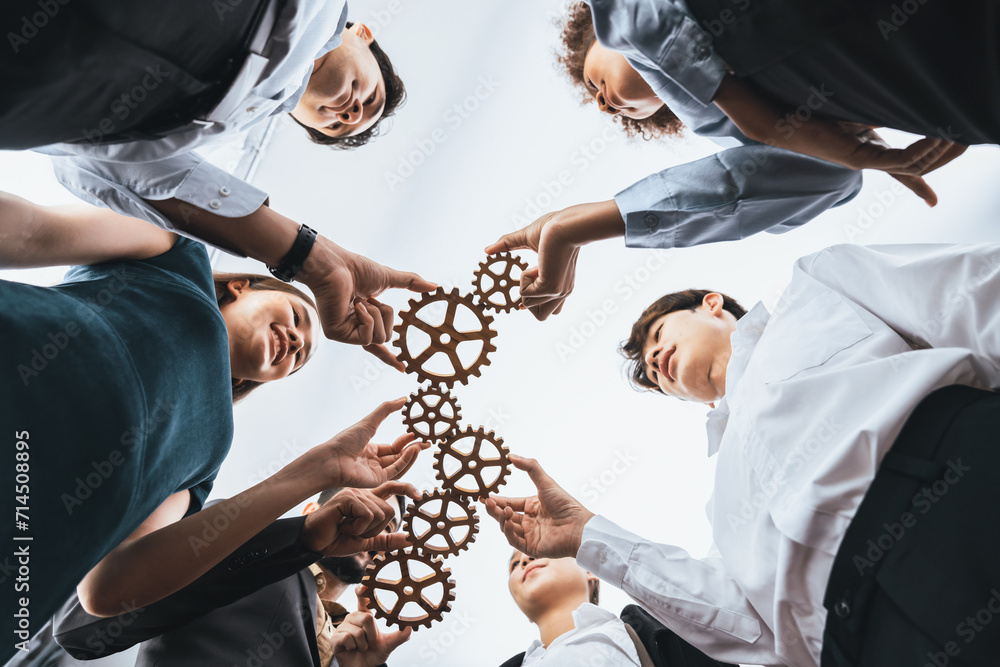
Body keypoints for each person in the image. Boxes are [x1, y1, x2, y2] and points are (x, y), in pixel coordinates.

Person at [484, 243, 1000, 666]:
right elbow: (747, 625)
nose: (656, 360)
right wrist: (588, 534)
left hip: (962, 480)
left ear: (712, 304)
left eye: (660, 335)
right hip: (869, 640)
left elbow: (975, 295)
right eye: (652, 372)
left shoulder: (816, 289)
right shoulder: (725, 501)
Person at [0, 193, 425, 662]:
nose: (298, 340)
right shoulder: (176, 256)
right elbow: (26, 229)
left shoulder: (208, 451)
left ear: (251, 380)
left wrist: (318, 469)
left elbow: (106, 591)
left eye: (300, 356)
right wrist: (315, 259)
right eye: (299, 318)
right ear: (244, 285)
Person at [2, 0, 429, 367]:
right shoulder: (313, 12)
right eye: (370, 97)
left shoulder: (216, 126)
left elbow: (104, 165)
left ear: (297, 116)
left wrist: (314, 258)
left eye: (337, 126)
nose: (351, 114)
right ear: (362, 34)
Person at [487, 1, 956, 321]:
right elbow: (813, 171)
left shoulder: (628, 18)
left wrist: (578, 228)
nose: (603, 104)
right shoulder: (718, 115)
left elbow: (637, 23)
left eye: (593, 84)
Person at [47, 484, 416, 667]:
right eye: (364, 506)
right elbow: (81, 628)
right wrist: (295, 539)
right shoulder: (238, 534)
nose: (374, 523)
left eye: (388, 522)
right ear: (312, 509)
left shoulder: (355, 646)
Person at [501, 549, 736, 667]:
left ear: (589, 570)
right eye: (514, 564)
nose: (524, 561)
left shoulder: (653, 631)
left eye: (538, 553)